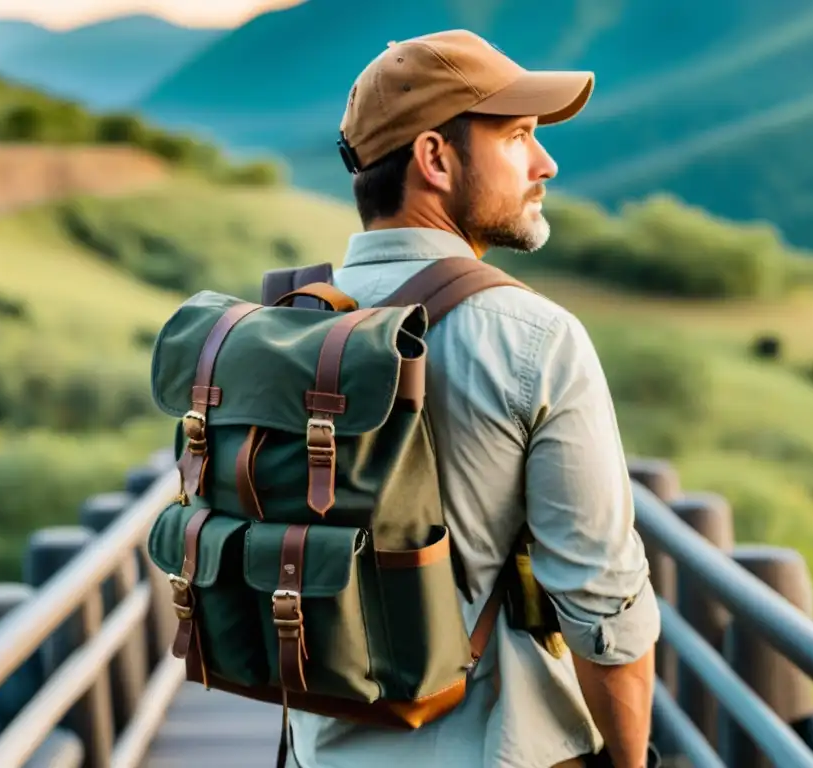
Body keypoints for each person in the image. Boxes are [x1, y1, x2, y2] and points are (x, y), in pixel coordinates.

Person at [286, 29, 660, 768]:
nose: (545, 162)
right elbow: (603, 608)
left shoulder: (290, 328)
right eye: (519, 135)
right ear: (434, 158)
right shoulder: (536, 339)